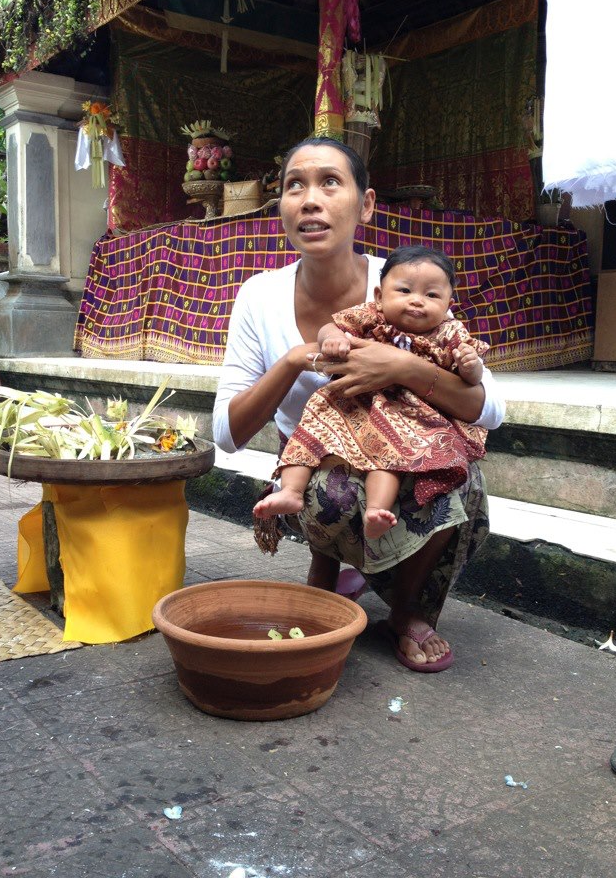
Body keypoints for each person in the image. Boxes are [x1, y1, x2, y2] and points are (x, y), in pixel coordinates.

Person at [212, 137, 505, 672]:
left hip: (404, 449)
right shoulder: (259, 295)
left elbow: (491, 410)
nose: (310, 199)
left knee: (461, 477)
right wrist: (294, 360)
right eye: (294, 185)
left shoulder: (404, 282)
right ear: (280, 209)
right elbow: (225, 433)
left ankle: (405, 610)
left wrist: (405, 369)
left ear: (365, 205)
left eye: (330, 182)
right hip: (317, 462)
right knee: (333, 491)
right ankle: (332, 573)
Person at [252, 245, 489, 545]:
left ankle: (377, 511)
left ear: (447, 304)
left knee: (389, 459)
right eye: (404, 290)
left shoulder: (449, 333)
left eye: (432, 295)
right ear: (379, 296)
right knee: (310, 435)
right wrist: (333, 339)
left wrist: (472, 367)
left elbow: (472, 380)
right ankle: (290, 491)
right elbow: (330, 326)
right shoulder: (369, 317)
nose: (417, 301)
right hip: (350, 405)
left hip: (408, 417)